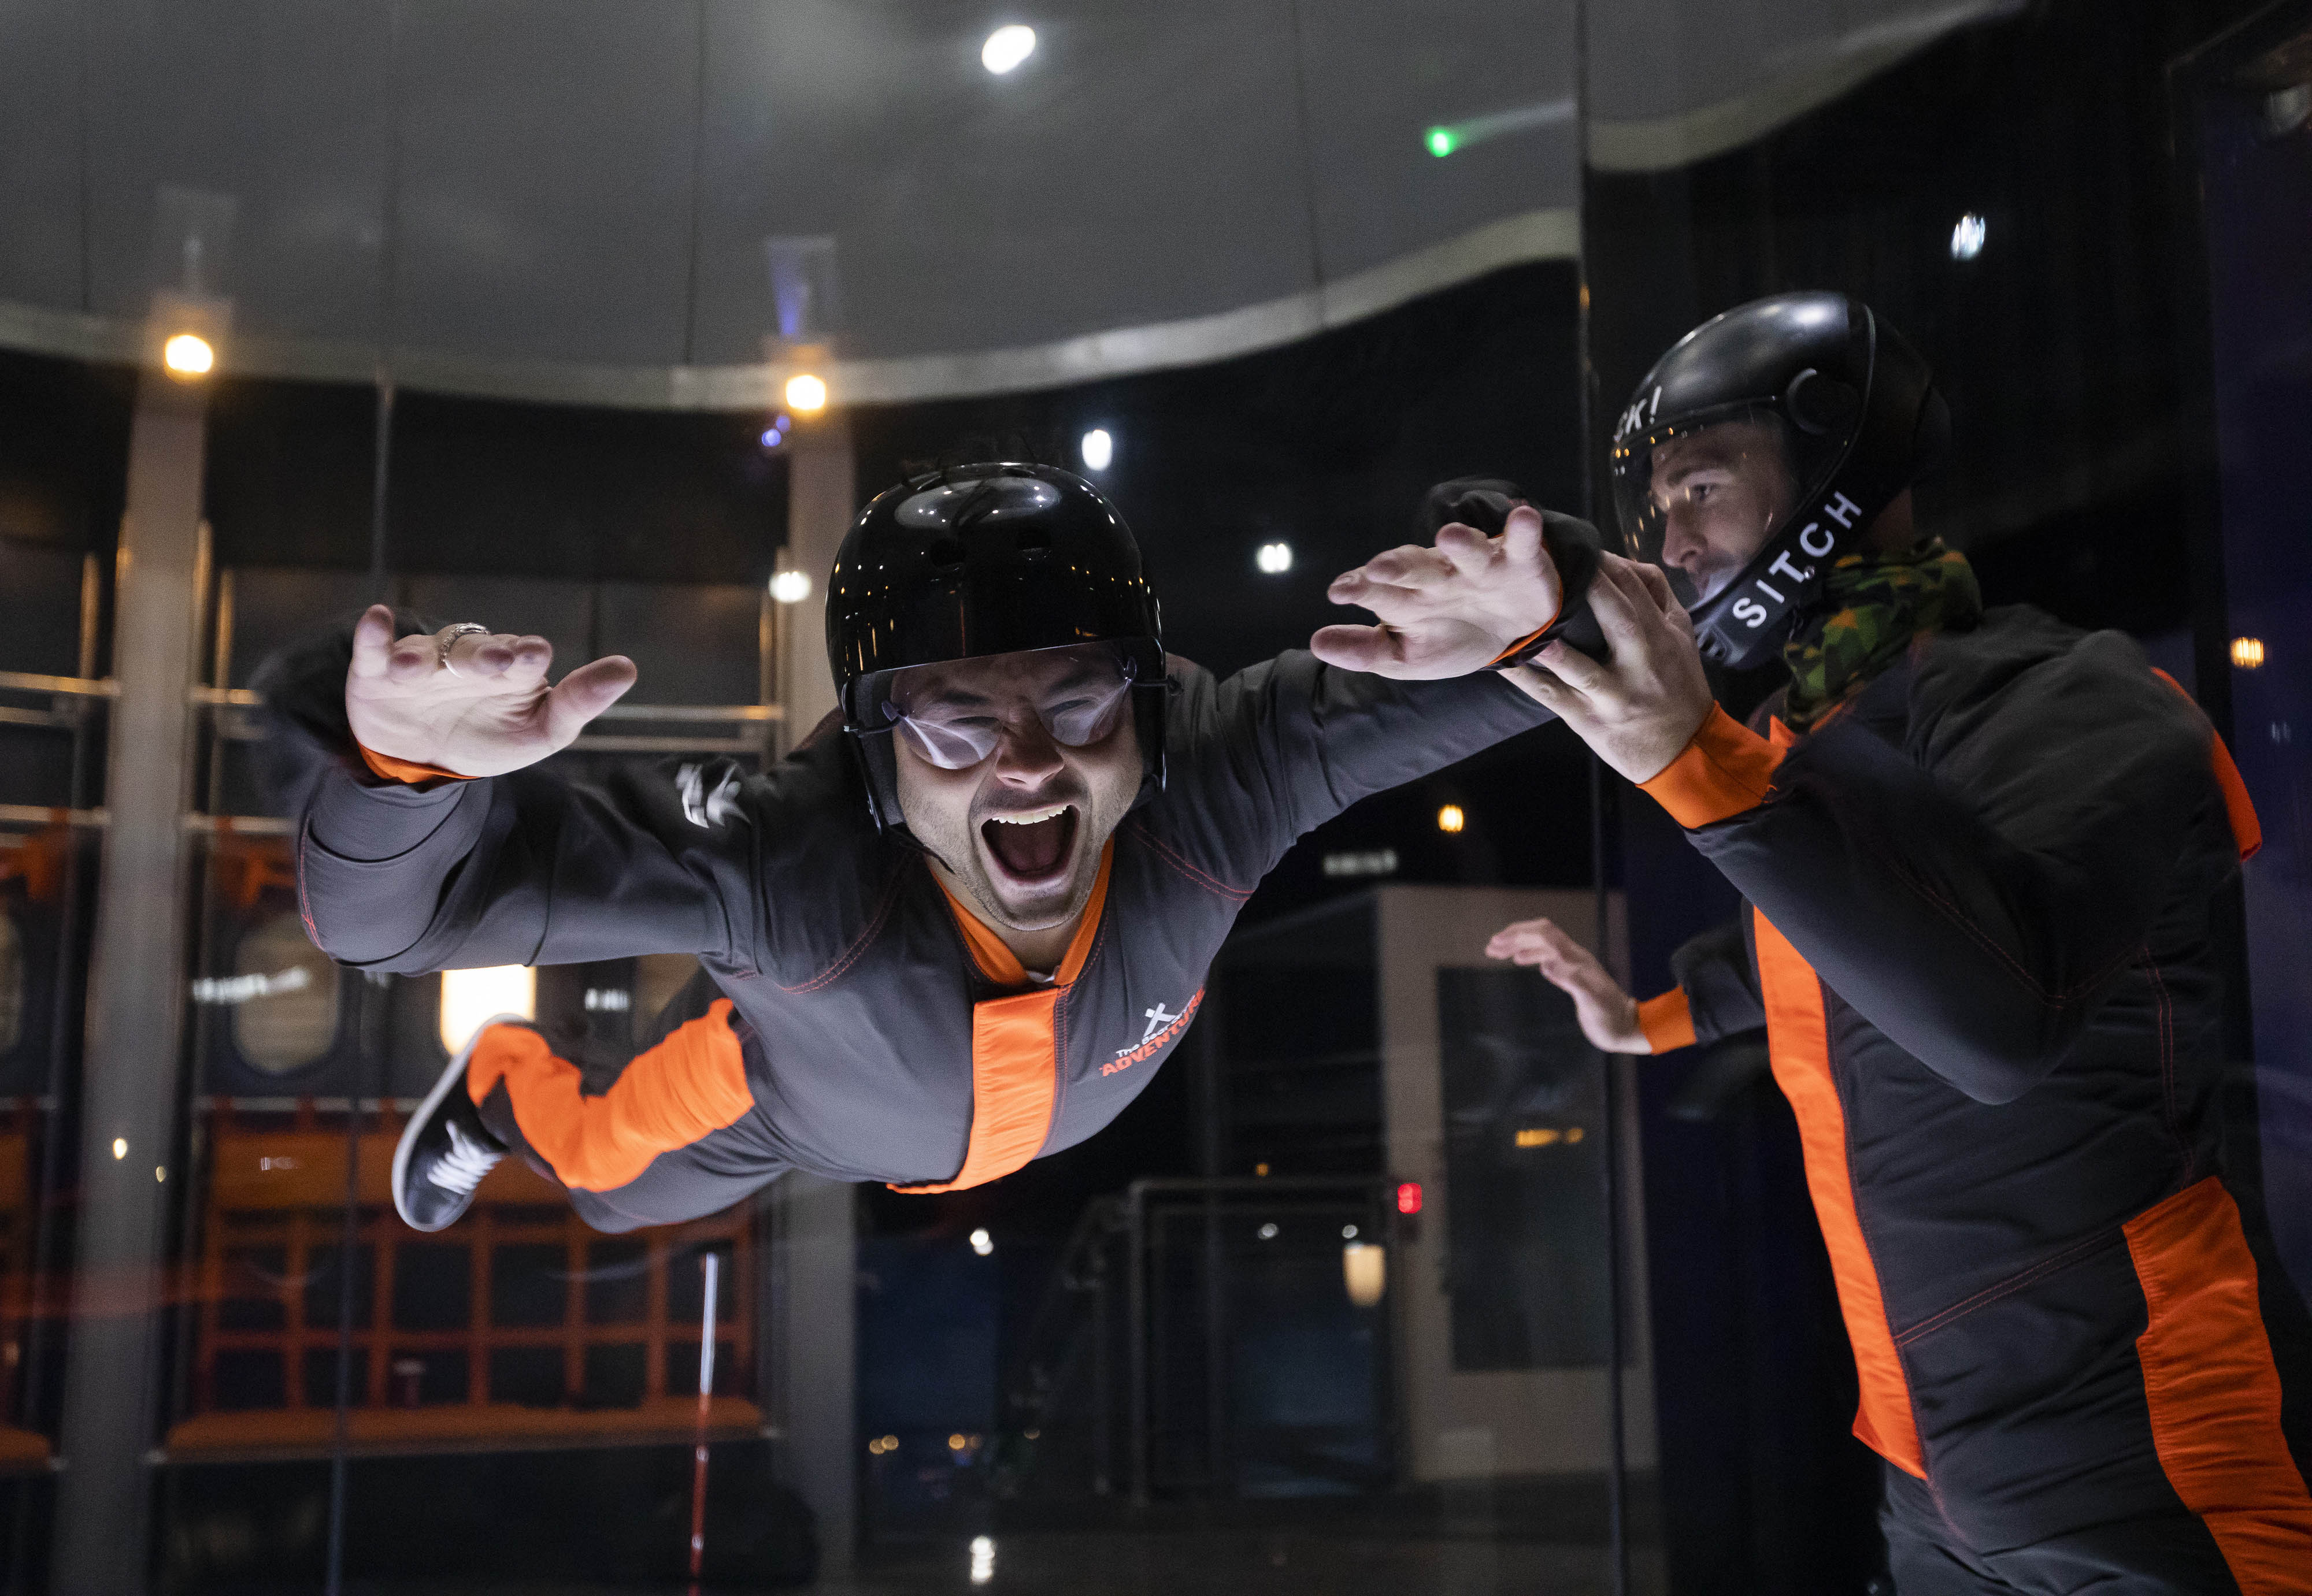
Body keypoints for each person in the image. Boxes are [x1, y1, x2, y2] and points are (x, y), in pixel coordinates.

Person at [1409, 293, 2312, 1592]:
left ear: (1832, 468)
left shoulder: (2079, 700)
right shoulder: (1810, 751)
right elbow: (1792, 961)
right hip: (1923, 1471)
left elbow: (1995, 1011)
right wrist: (1635, 1018)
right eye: (1655, 514)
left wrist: (1691, 758)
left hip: (2151, 1458)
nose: (1674, 544)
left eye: (1702, 490)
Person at [285, 462, 1593, 1235]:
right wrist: (403, 774)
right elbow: (397, 919)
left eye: (1076, 707)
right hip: (787, 1103)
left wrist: (1543, 607)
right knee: (609, 1186)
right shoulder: (785, 863)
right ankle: (501, 1081)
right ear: (874, 758)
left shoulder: (1212, 772)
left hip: (1011, 1106)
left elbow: (1523, 673)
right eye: (959, 730)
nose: (1027, 763)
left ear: (1144, 709)